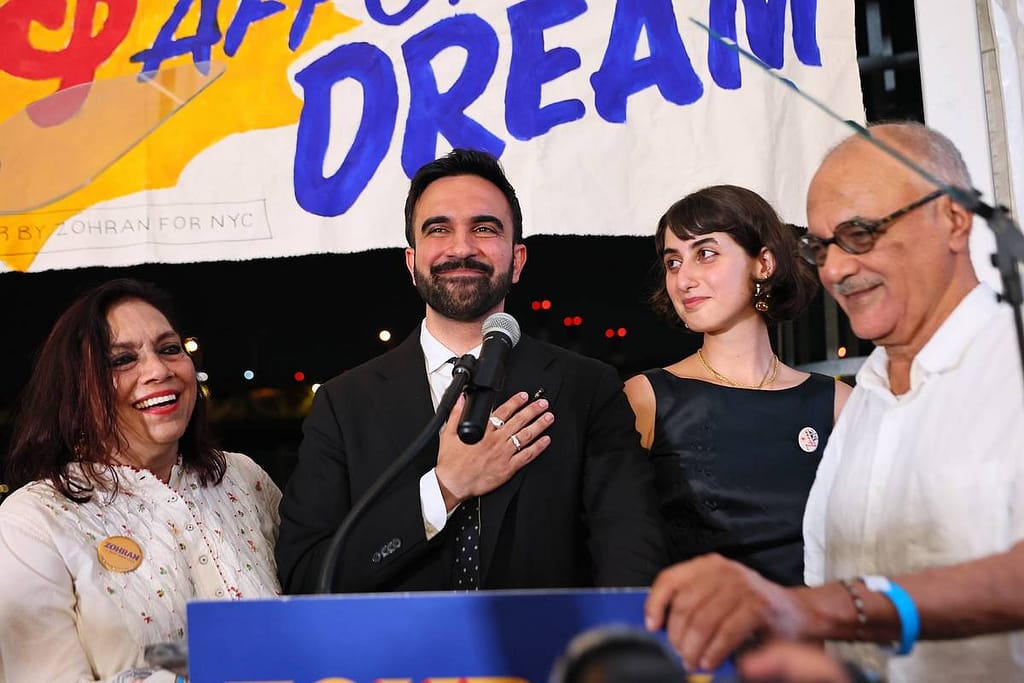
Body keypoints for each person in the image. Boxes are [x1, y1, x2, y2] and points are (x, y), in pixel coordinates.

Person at [642, 122, 1024, 682]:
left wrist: (819, 610)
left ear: (953, 219)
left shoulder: (1007, 367)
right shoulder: (865, 402)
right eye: (822, 246)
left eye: (862, 233)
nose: (837, 268)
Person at [275, 148, 667, 594]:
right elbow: (306, 576)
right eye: (439, 229)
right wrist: (443, 489)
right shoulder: (343, 403)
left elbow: (632, 558)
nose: (461, 248)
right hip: (395, 663)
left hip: (545, 659)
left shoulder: (587, 388)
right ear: (412, 262)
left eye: (484, 228)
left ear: (517, 260)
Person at [0, 279, 282, 683]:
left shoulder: (243, 478)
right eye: (121, 360)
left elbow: (306, 624)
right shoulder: (33, 520)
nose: (159, 370)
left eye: (169, 349)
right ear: (76, 390)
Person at [625, 185, 850, 586]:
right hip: (698, 638)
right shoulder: (647, 398)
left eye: (705, 254)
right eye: (673, 262)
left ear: (763, 263)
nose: (684, 279)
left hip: (814, 635)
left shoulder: (836, 403)